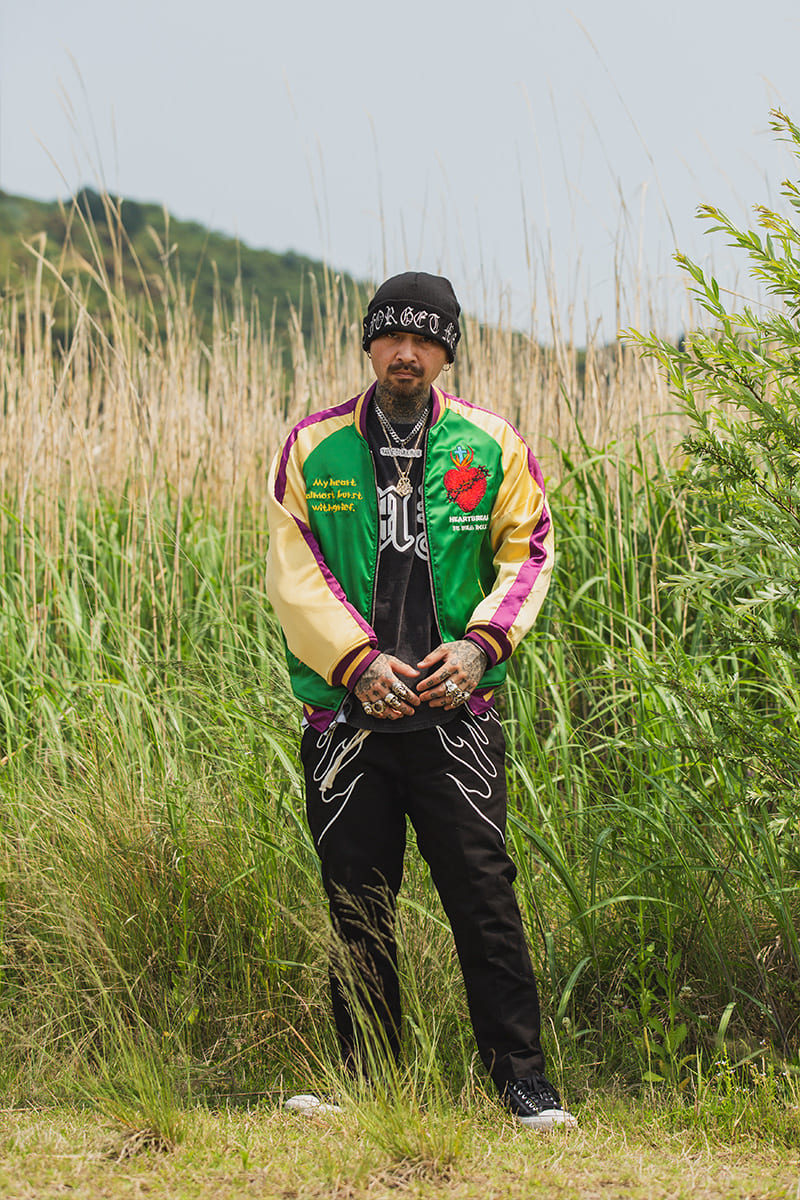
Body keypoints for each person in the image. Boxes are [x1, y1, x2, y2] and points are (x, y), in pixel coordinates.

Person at [266, 271, 575, 1129]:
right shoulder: (312, 446)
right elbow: (293, 569)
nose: (407, 353)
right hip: (348, 718)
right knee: (356, 901)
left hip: (456, 716)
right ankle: (366, 1082)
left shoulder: (491, 443)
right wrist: (356, 661)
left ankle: (522, 1084)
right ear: (369, 344)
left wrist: (481, 646)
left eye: (426, 339)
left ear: (447, 351)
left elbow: (529, 550)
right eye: (393, 336)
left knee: (484, 897)